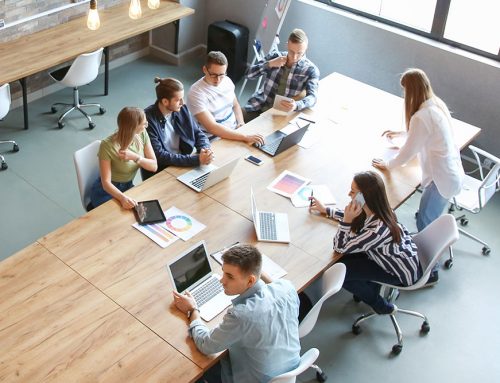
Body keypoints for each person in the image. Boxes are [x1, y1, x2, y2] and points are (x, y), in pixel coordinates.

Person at [372, 68, 464, 284]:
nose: (404, 96)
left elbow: (407, 153)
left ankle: (428, 272)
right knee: (425, 217)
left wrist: (387, 165)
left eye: (405, 91)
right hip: (450, 173)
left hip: (441, 179)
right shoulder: (434, 104)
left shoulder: (421, 116)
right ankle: (428, 255)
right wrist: (402, 132)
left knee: (425, 222)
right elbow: (423, 134)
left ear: (411, 91)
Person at [173, 244, 301, 383]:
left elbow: (206, 345)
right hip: (289, 371)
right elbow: (274, 285)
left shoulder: (242, 315)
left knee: (194, 369)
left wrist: (192, 310)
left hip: (252, 379)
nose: (222, 280)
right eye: (223, 272)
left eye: (230, 276)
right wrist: (250, 266)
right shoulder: (287, 288)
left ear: (250, 280)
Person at [309, 171, 421, 315]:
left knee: (341, 274)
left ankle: (381, 306)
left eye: (353, 191)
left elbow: (339, 246)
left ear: (364, 197)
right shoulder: (378, 210)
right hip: (392, 257)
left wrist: (346, 222)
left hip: (398, 272)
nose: (349, 194)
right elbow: (357, 219)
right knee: (344, 261)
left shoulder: (377, 231)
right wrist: (326, 210)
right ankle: (368, 287)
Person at [142, 77, 213, 180]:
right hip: (161, 171)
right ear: (165, 101)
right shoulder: (147, 120)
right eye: (178, 100)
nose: (182, 102)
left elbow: (197, 133)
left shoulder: (182, 109)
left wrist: (206, 150)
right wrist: (196, 160)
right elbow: (159, 155)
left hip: (182, 163)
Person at [187, 51, 264, 145]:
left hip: (234, 130)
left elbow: (235, 105)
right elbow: (212, 127)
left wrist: (241, 123)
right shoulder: (195, 93)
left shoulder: (227, 81)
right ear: (204, 69)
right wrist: (244, 137)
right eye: (213, 75)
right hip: (214, 139)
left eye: (221, 75)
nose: (218, 80)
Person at [243, 28, 320, 122]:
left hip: (280, 115)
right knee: (235, 121)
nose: (295, 57)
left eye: (299, 53)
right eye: (291, 52)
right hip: (258, 105)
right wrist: (269, 64)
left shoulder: (311, 70)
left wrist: (297, 105)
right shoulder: (275, 56)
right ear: (287, 45)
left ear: (306, 49)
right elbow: (248, 74)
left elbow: (313, 97)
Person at [90, 107, 157, 209]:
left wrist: (135, 157)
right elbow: (106, 183)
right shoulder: (107, 145)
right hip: (107, 191)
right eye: (144, 124)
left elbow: (154, 166)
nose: (146, 125)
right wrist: (122, 198)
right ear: (133, 127)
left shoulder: (142, 134)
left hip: (128, 186)